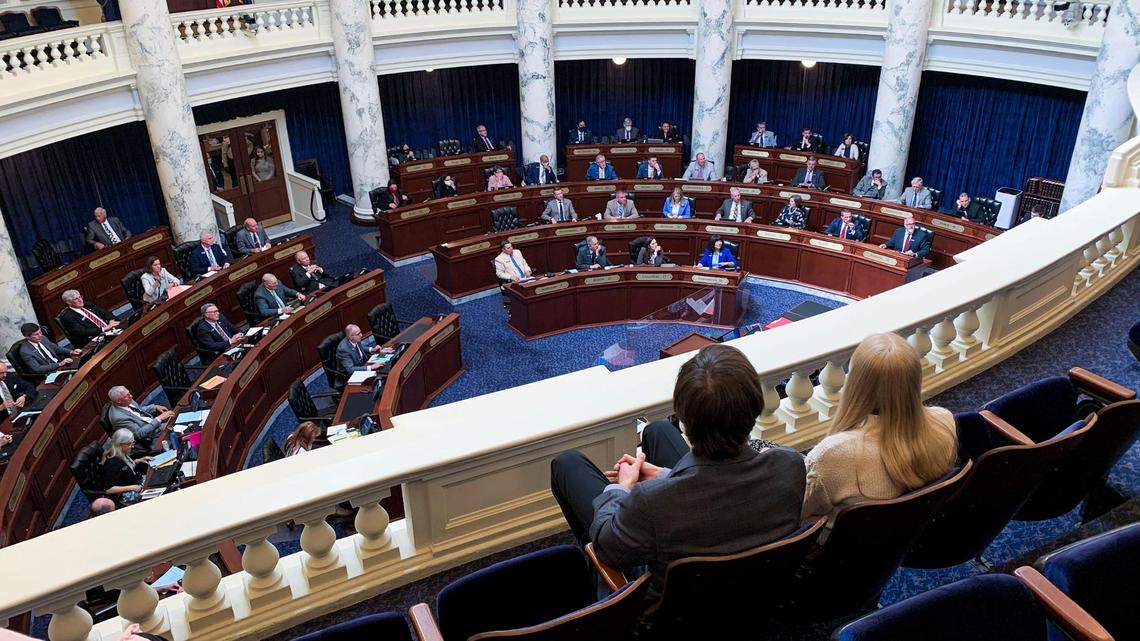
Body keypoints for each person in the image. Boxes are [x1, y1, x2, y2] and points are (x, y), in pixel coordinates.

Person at [548, 344, 806, 597]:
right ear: (755, 406)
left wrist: (620, 488)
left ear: (683, 415)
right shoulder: (791, 465)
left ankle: (599, 593)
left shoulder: (650, 502)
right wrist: (665, 476)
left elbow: (606, 546)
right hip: (751, 593)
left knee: (567, 464)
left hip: (670, 616)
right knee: (656, 430)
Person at [801, 333, 957, 523]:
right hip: (913, 538)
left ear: (855, 384)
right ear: (914, 380)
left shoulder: (829, 455)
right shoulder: (945, 421)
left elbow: (799, 515)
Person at [107, 386, 173, 445]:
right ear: (119, 401)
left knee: (176, 421)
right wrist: (159, 419)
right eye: (127, 395)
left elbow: (139, 410)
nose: (131, 396)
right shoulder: (119, 418)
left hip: (154, 425)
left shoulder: (126, 400)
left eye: (129, 393)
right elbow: (139, 434)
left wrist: (154, 407)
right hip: (151, 436)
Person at [101, 428, 150, 506]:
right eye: (129, 444)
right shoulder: (113, 464)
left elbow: (125, 469)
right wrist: (132, 487)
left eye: (133, 443)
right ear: (120, 444)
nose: (132, 446)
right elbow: (109, 489)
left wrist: (138, 461)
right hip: (127, 494)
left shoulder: (121, 452)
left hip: (136, 482)